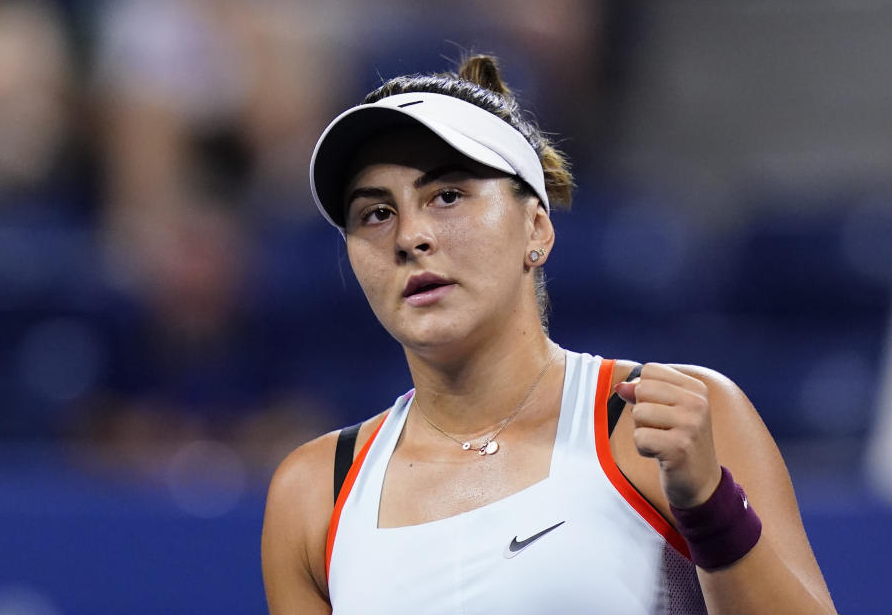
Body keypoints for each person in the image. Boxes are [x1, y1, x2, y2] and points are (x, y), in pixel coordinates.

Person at [261, 55, 836, 614]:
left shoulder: (665, 420)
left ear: (536, 226)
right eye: (375, 214)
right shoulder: (314, 493)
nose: (410, 236)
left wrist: (712, 507)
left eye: (448, 196)